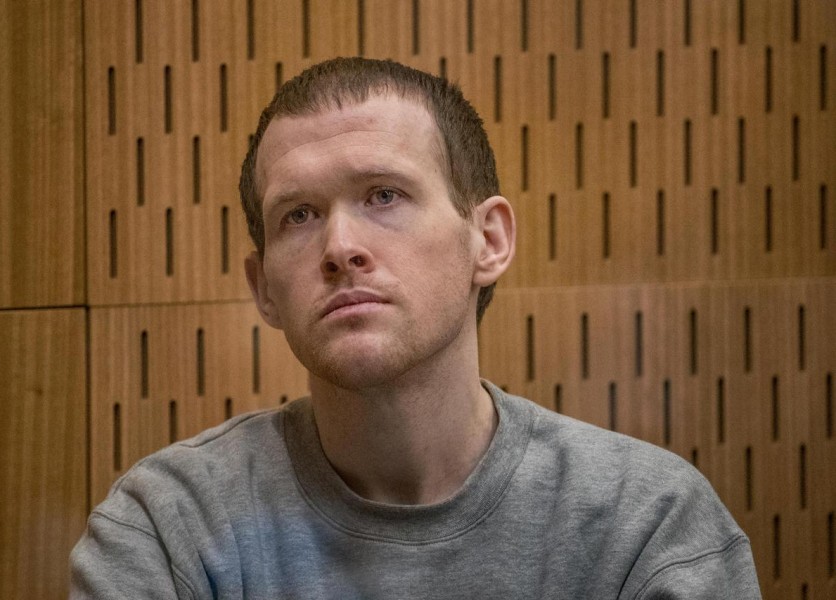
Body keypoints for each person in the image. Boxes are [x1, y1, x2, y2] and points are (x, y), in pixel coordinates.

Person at [70, 57, 761, 599]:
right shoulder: (167, 527)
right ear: (264, 290)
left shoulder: (646, 524)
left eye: (383, 196)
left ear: (487, 239)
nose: (340, 246)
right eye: (299, 215)